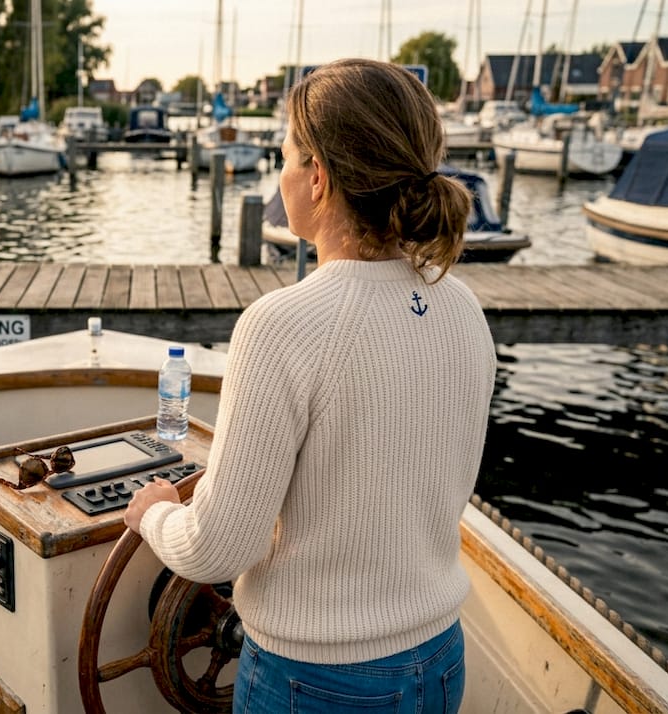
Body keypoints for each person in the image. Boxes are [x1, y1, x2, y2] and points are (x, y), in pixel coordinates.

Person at [123, 58, 498, 714]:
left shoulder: (282, 325)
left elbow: (217, 549)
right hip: (440, 660)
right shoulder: (461, 305)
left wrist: (151, 511)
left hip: (316, 681)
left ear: (318, 176)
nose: (282, 174)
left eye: (284, 156)